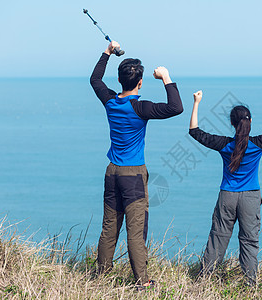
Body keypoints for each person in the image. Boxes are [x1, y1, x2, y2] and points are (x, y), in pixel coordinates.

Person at [90, 41, 183, 288]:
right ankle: (142, 282)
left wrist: (107, 52)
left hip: (112, 172)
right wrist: (166, 77)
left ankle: (101, 277)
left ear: (120, 81)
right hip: (133, 175)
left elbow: (95, 80)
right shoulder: (141, 108)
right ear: (140, 83)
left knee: (110, 226)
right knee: (135, 229)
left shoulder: (110, 101)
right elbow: (176, 107)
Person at [188, 84, 262, 284]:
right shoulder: (258, 143)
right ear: (250, 122)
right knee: (249, 242)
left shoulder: (224, 145)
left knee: (218, 238)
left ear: (232, 123)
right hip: (250, 198)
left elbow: (194, 131)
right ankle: (250, 284)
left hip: (227, 196)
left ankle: (204, 281)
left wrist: (196, 103)